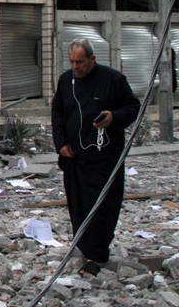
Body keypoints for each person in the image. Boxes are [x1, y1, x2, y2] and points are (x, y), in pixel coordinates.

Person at [51, 38, 140, 276]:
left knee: (102, 207)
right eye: (72, 62)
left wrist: (114, 117)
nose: (76, 67)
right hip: (75, 157)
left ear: (92, 59)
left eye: (80, 62)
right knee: (78, 205)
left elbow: (132, 107)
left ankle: (98, 254)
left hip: (104, 158)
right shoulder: (66, 81)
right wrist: (61, 144)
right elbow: (58, 113)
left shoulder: (113, 80)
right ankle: (83, 246)